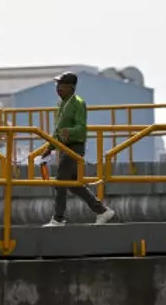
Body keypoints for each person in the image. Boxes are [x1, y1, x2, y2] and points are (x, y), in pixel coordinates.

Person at [39, 72, 116, 227]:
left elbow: (81, 128)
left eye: (62, 86)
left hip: (74, 147)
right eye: (57, 86)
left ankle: (58, 218)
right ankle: (102, 211)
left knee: (60, 181)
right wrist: (50, 147)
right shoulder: (62, 104)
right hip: (64, 147)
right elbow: (58, 130)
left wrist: (70, 131)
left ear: (71, 88)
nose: (58, 89)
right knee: (75, 185)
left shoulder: (78, 103)